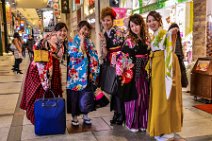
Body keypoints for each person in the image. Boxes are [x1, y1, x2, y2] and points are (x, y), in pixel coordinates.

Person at [20, 22, 68, 124]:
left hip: (52, 71)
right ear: (55, 31)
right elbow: (36, 48)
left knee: (51, 94)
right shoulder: (49, 39)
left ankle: (48, 117)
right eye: (60, 30)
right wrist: (44, 40)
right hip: (38, 71)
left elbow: (58, 58)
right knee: (38, 94)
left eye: (65, 30)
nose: (63, 33)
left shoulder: (62, 42)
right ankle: (38, 119)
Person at [146, 11, 183, 141]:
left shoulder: (163, 33)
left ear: (159, 20)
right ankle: (162, 128)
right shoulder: (156, 34)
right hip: (158, 66)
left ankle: (166, 129)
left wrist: (172, 32)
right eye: (149, 21)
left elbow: (170, 41)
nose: (151, 23)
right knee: (160, 97)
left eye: (153, 20)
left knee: (165, 97)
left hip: (164, 65)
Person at [66, 21, 99, 126]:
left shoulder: (90, 42)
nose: (86, 31)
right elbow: (76, 56)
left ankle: (85, 115)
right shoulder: (72, 41)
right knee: (74, 95)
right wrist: (81, 42)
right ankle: (74, 117)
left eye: (87, 29)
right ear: (79, 28)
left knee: (87, 95)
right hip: (75, 74)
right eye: (84, 29)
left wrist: (95, 71)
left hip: (87, 72)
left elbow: (94, 56)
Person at [121, 14, 149, 132]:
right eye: (132, 26)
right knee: (133, 99)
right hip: (132, 74)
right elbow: (123, 58)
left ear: (141, 24)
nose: (134, 28)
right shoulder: (128, 41)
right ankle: (132, 123)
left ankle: (143, 122)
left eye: (136, 24)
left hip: (144, 73)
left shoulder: (147, 39)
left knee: (144, 98)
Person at [99, 7, 125, 125]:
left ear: (113, 20)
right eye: (104, 20)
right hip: (111, 60)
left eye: (108, 20)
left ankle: (120, 114)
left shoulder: (118, 31)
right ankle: (116, 112)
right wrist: (103, 42)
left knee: (118, 88)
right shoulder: (104, 33)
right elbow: (104, 52)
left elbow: (124, 47)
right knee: (113, 89)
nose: (106, 22)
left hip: (119, 61)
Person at [168, 23, 188, 88]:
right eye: (174, 30)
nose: (175, 31)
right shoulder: (169, 36)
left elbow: (180, 47)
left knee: (180, 72)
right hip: (172, 57)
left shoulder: (178, 37)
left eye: (177, 30)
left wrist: (182, 55)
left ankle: (181, 84)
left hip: (178, 57)